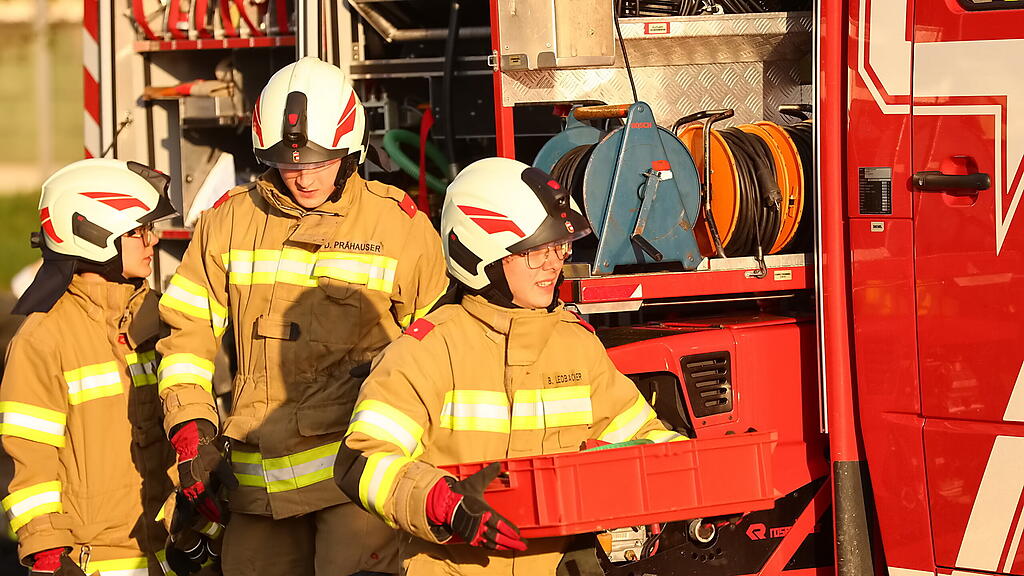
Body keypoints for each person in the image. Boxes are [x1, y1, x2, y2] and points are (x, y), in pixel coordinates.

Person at [156, 56, 448, 576]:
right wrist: (192, 425)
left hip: (355, 482)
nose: (303, 177)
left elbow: (441, 351)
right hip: (256, 487)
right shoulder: (228, 222)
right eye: (290, 164)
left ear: (350, 149)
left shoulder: (398, 226)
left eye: (318, 161)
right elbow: (186, 333)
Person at [335, 157, 688, 575]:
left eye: (559, 246)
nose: (553, 263)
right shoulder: (428, 351)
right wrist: (440, 501)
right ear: (480, 254)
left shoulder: (576, 346)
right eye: (534, 251)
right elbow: (363, 461)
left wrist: (694, 466)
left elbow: (642, 439)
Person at [0, 159, 181, 575]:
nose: (153, 241)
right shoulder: (42, 340)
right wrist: (47, 552)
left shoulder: (154, 317)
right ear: (94, 236)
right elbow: (28, 458)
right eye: (139, 231)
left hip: (169, 551)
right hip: (97, 561)